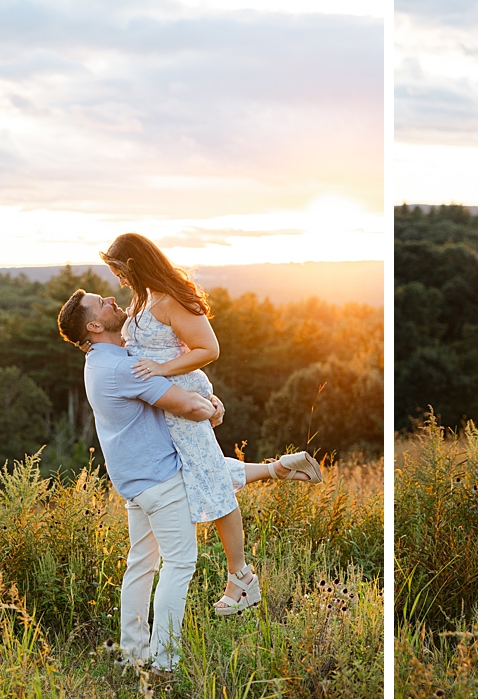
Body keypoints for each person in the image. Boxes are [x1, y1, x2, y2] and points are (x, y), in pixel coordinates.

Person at [99, 233, 322, 615]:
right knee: (200, 475)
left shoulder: (171, 299)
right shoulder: (142, 298)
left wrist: (163, 371)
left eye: (118, 269)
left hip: (181, 404)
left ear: (133, 264)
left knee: (212, 482)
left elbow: (209, 349)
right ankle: (280, 468)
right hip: (164, 407)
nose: (116, 278)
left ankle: (242, 579)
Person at [58, 287, 224, 673]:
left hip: (136, 483)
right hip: (159, 481)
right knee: (180, 564)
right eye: (102, 304)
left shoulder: (102, 362)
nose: (112, 300)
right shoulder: (124, 367)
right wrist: (211, 406)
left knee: (141, 565)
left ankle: (134, 654)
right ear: (96, 325)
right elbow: (187, 405)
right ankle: (165, 663)